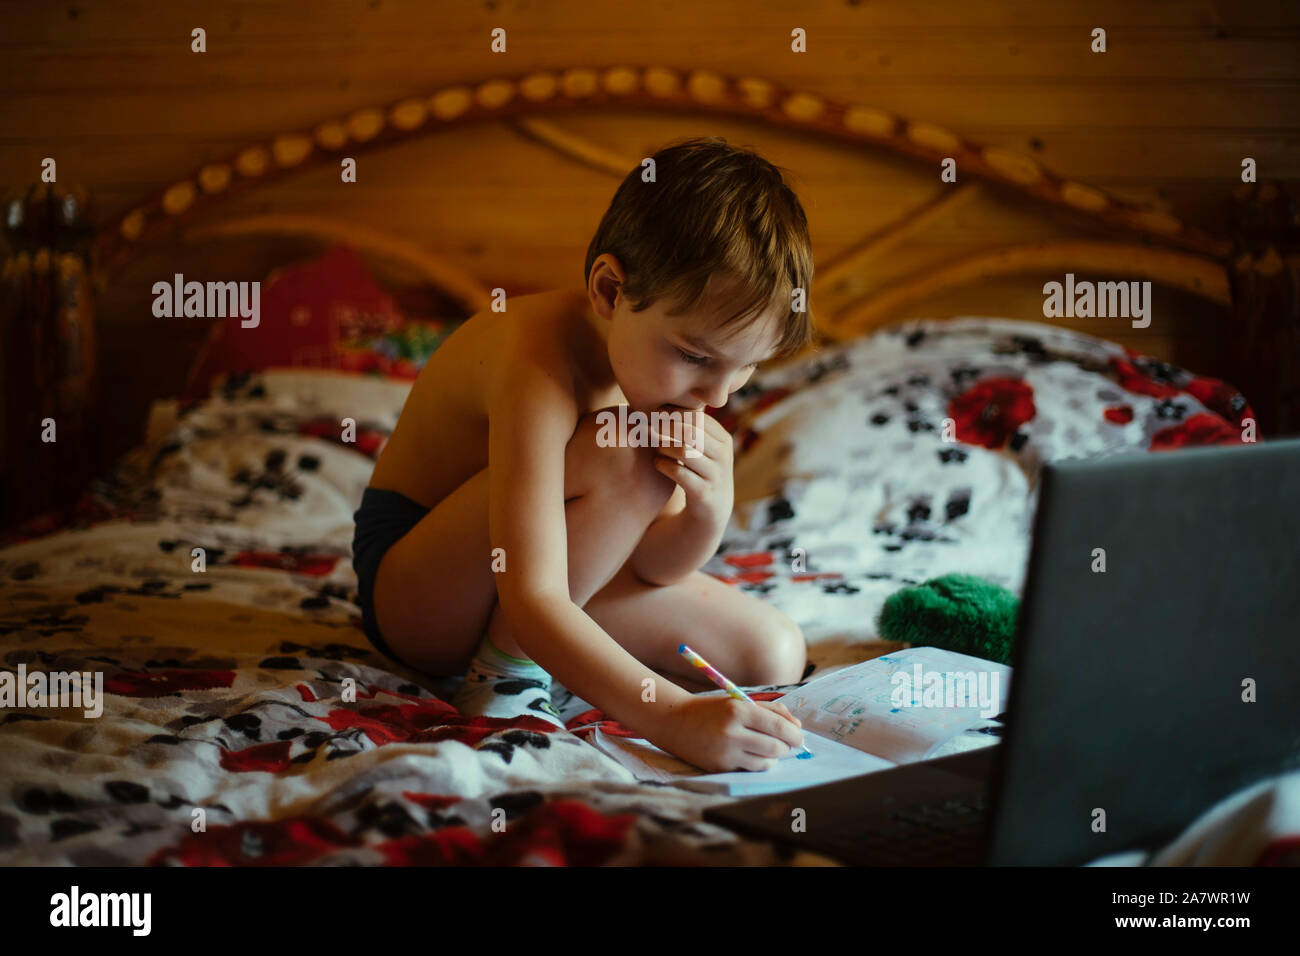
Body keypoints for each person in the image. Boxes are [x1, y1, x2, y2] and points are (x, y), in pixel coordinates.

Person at [352, 136, 816, 772]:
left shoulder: (661, 386)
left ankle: (522, 653)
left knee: (773, 649)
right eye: (694, 356)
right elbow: (535, 595)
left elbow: (650, 561)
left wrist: (708, 512)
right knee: (622, 449)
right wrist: (673, 717)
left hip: (536, 577)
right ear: (608, 290)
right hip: (423, 595)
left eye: (746, 368)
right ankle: (505, 675)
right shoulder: (535, 359)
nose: (714, 395)